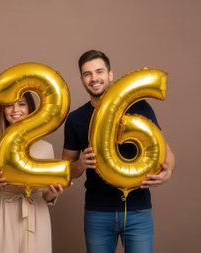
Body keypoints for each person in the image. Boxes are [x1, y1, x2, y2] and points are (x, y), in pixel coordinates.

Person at [62, 49, 176, 253]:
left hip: (138, 211)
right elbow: (66, 170)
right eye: (87, 74)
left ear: (110, 74)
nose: (94, 78)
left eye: (99, 71)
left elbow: (167, 154)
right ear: (81, 79)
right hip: (98, 213)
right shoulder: (76, 119)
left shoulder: (139, 107)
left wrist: (167, 174)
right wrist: (80, 165)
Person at [0, 92, 67, 253]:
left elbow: (46, 196)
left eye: (21, 104)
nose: (15, 110)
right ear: (3, 110)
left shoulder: (46, 148)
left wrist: (53, 193)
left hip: (36, 213)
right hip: (2, 214)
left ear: (31, 109)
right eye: (9, 105)